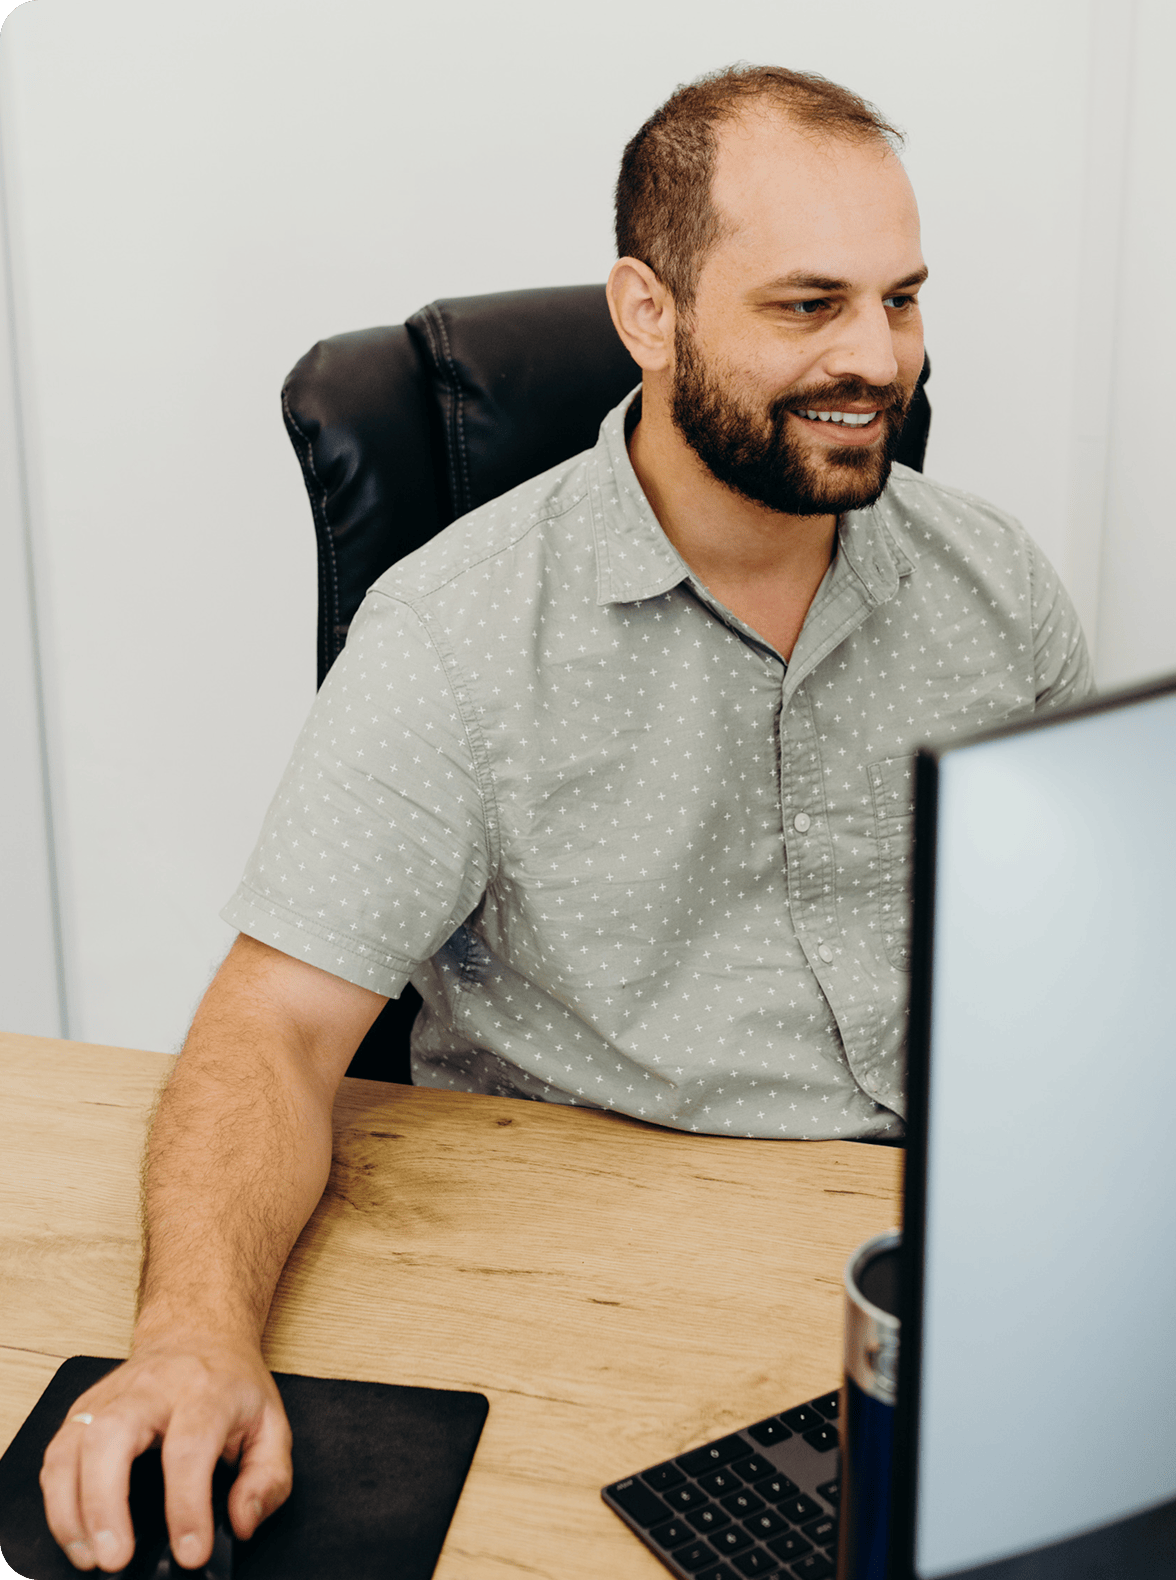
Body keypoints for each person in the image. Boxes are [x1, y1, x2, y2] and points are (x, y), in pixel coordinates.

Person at [41, 64, 1091, 1572]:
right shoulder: (460, 633)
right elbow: (269, 1025)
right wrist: (190, 1338)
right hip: (583, 1262)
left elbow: (1080, 975)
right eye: (809, 306)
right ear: (648, 315)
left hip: (925, 1270)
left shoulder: (995, 585)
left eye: (903, 298)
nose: (880, 357)